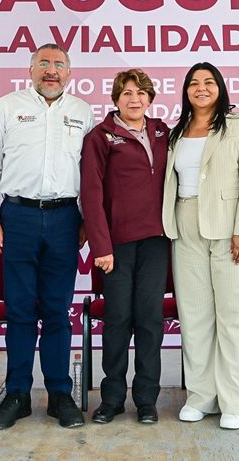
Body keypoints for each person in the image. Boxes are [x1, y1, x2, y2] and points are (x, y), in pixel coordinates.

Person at [0, 44, 94, 429]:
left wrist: (86, 222)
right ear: (30, 70)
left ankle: (60, 394)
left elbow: (91, 175)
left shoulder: (82, 112)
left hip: (65, 218)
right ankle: (17, 395)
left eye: (59, 64)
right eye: (43, 63)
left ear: (69, 72)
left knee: (58, 312)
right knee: (20, 311)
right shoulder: (8, 105)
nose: (51, 71)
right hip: (17, 217)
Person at [162, 62, 239, 430]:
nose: (201, 88)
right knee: (195, 316)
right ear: (186, 91)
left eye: (208, 82)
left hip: (227, 228)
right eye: (193, 83)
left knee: (234, 317)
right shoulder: (178, 130)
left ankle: (236, 401)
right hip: (185, 226)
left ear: (220, 88)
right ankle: (202, 395)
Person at [80, 69, 170, 425]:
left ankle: (146, 399)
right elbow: (91, 193)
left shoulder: (163, 131)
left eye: (141, 93)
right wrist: (101, 245)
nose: (135, 99)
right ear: (116, 99)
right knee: (117, 321)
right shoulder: (100, 137)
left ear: (150, 98)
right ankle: (112, 398)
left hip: (156, 241)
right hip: (115, 246)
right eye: (127, 93)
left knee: (150, 320)